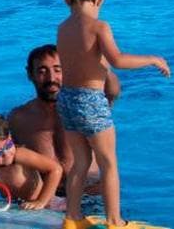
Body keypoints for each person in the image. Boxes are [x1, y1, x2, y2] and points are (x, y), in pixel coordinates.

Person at [56, 0, 170, 228]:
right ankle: (115, 220)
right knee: (108, 164)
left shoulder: (62, 28)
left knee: (80, 163)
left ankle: (72, 218)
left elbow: (83, 60)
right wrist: (152, 59)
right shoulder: (99, 27)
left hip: (67, 99)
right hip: (91, 100)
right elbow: (117, 60)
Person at [8, 43, 120, 194]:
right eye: (42, 71)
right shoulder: (18, 118)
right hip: (48, 196)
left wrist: (102, 66)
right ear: (30, 74)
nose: (51, 78)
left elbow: (111, 93)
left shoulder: (84, 107)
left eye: (57, 70)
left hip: (90, 193)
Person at [0, 113, 63, 211]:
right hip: (15, 204)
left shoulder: (20, 155)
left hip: (46, 202)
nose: (6, 153)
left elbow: (55, 169)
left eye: (8, 145)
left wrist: (41, 201)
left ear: (10, 137)